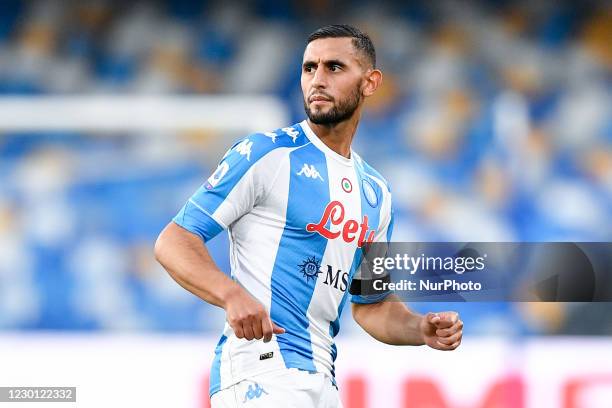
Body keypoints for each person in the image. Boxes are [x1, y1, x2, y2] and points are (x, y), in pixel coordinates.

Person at [155, 24, 463, 408]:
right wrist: (231, 295)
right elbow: (173, 240)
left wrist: (419, 328)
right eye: (309, 68)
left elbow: (372, 305)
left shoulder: (377, 194)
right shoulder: (266, 155)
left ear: (370, 82)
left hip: (323, 381)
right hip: (261, 369)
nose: (317, 79)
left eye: (334, 67)